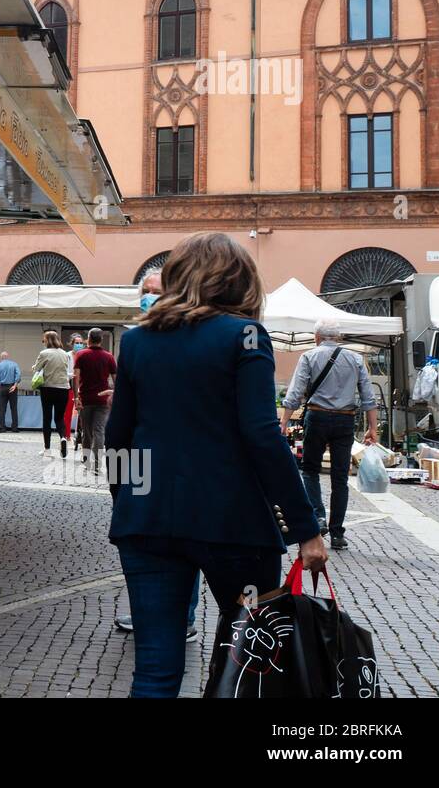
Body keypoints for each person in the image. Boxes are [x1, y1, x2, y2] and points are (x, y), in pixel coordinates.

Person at [105, 232, 328, 699]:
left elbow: (118, 436)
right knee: (243, 663)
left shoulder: (139, 340)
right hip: (234, 525)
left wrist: (125, 499)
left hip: (148, 522)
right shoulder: (244, 336)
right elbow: (262, 434)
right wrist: (306, 527)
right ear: (238, 280)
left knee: (155, 671)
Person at [113, 272, 199, 641]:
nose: (148, 298)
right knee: (145, 538)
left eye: (155, 292)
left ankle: (185, 616)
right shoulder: (134, 342)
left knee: (185, 540)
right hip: (142, 463)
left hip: (185, 463)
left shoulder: (197, 342)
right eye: (144, 293)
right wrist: (118, 484)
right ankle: (146, 612)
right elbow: (119, 424)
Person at [280, 319, 379, 551]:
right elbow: (368, 396)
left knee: (310, 469)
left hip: (318, 417)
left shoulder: (309, 356)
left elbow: (295, 392)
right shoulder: (355, 359)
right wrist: (373, 428)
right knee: (339, 477)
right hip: (345, 419)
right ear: (339, 338)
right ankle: (337, 534)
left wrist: (284, 421)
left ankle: (318, 517)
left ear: (317, 337)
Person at [72, 327, 115, 474]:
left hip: (85, 399)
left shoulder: (81, 355)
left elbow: (75, 377)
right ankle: (97, 465)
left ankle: (86, 461)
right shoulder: (109, 357)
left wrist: (76, 398)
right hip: (103, 399)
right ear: (101, 340)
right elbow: (116, 380)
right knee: (99, 431)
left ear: (88, 339)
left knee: (87, 431)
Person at [31, 331, 71, 457]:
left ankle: (47, 449)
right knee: (59, 418)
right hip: (63, 389)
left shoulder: (44, 353)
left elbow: (36, 368)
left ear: (47, 340)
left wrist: (34, 367)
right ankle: (63, 437)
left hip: (48, 389)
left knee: (47, 418)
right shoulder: (65, 354)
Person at [63, 333, 83, 446]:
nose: (79, 345)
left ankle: (80, 436)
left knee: (82, 414)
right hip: (70, 386)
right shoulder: (67, 355)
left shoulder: (84, 355)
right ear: (72, 344)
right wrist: (72, 375)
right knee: (68, 412)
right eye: (77, 343)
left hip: (82, 386)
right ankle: (67, 435)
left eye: (81, 343)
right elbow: (63, 371)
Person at [0, 350, 20, 431]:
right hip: (12, 387)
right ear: (8, 356)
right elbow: (18, 375)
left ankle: (2, 427)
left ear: (1, 358)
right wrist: (15, 385)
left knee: (2, 408)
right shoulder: (14, 364)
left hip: (2, 388)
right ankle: (14, 428)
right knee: (14, 408)